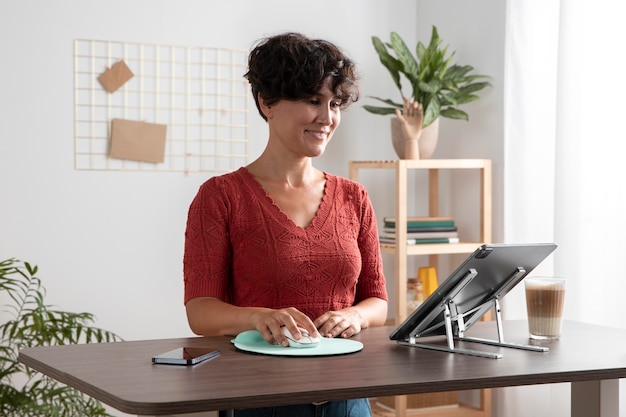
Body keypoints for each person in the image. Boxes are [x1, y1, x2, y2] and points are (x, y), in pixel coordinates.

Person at [183, 32, 388, 417]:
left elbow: (377, 302)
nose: (327, 118)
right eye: (313, 101)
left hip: (349, 399)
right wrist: (259, 316)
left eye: (335, 103)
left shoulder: (354, 197)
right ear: (267, 102)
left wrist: (355, 316)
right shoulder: (220, 197)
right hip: (261, 399)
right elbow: (200, 312)